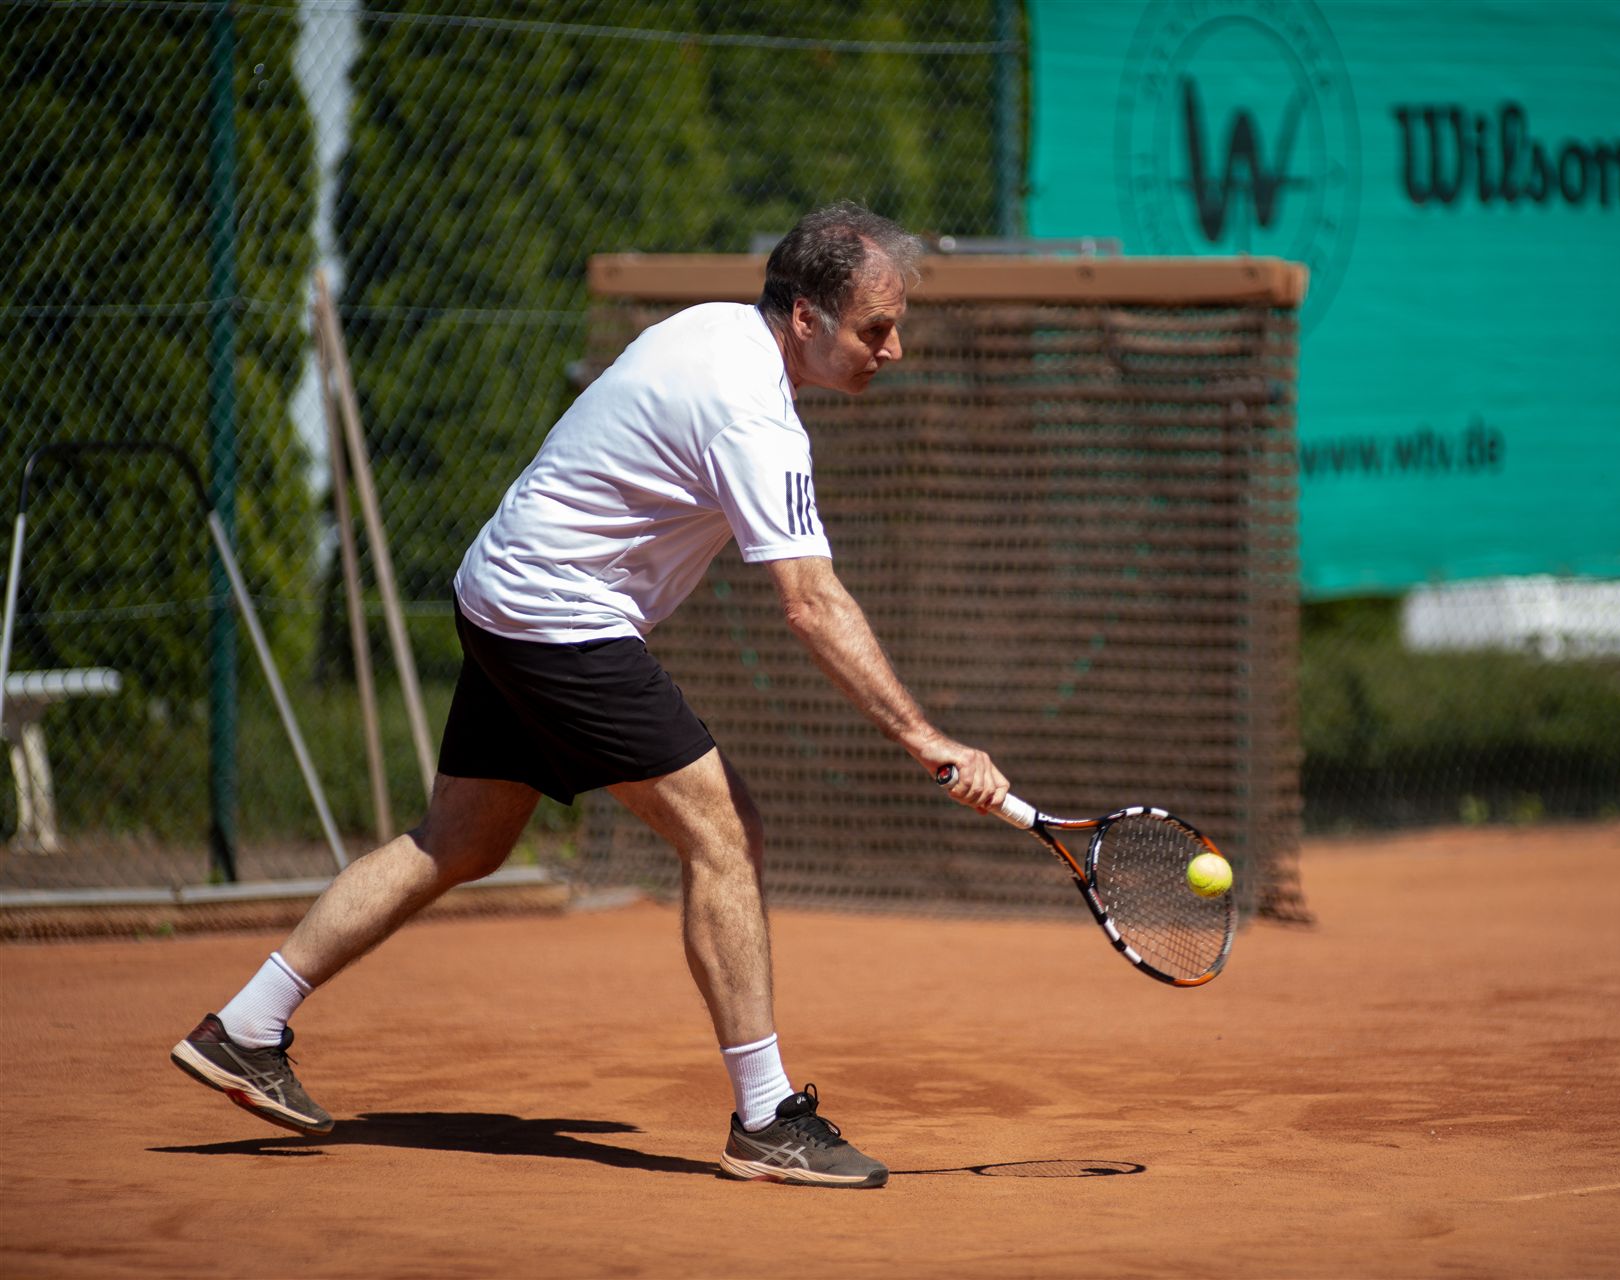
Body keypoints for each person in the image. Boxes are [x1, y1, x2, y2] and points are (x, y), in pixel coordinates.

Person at [169, 201, 1008, 1190]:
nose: (893, 349)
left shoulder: (713, 328)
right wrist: (925, 736)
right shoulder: (752, 410)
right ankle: (768, 1117)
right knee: (725, 832)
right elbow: (811, 603)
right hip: (557, 616)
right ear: (804, 317)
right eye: (876, 328)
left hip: (500, 591)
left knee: (460, 841)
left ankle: (246, 1025)